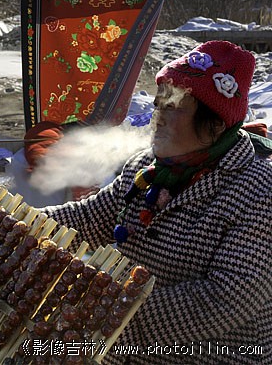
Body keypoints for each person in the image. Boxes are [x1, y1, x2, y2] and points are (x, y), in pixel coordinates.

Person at [42, 40, 272, 364]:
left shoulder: (258, 190)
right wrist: (12, 219)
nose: (157, 117)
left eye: (173, 106)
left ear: (216, 124)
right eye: (158, 103)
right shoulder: (147, 169)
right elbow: (90, 218)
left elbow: (226, 299)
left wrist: (110, 313)